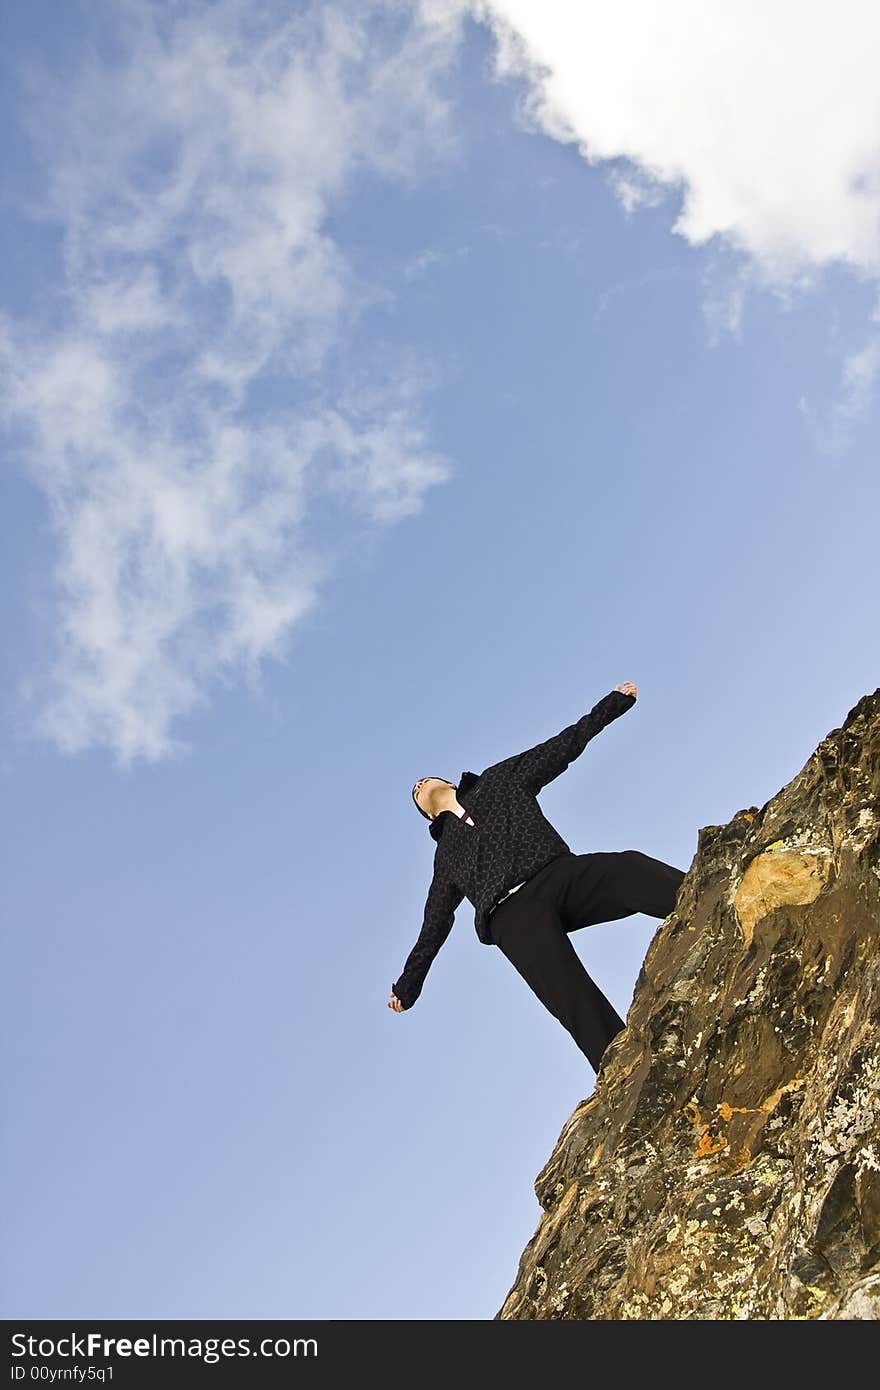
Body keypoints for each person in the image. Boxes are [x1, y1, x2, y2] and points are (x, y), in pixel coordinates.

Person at [387, 681, 686, 1073]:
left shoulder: (498, 780)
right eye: (414, 793)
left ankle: (705, 897)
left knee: (627, 868)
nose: (418, 785)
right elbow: (434, 923)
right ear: (428, 816)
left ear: (446, 781)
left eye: (422, 780)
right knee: (569, 992)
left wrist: (613, 704)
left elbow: (559, 748)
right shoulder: (445, 857)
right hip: (511, 916)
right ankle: (624, 1071)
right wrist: (408, 986)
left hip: (557, 874)